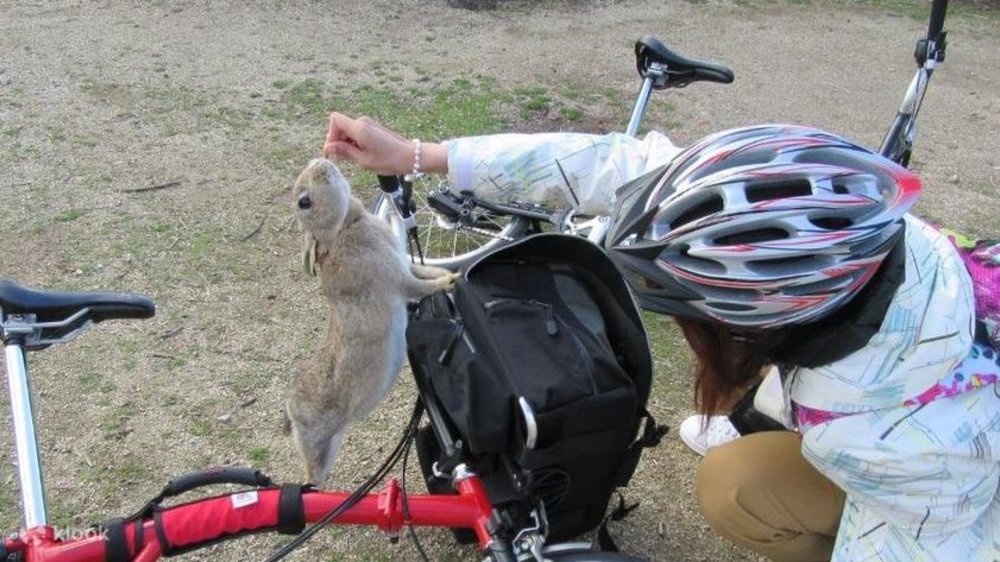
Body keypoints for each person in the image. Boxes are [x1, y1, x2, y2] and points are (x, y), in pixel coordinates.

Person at [321, 112, 1000, 562]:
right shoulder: (863, 238)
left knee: (742, 489)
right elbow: (619, 166)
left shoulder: (907, 450)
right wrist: (415, 155)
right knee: (736, 482)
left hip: (964, 502)